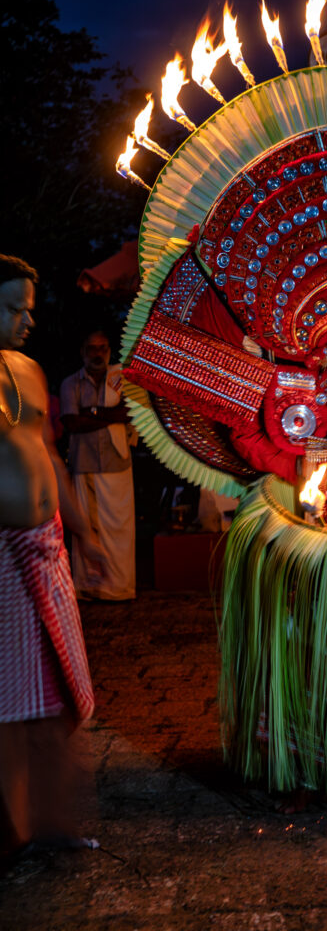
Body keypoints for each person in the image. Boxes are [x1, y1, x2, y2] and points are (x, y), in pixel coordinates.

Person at [0, 255, 106, 861]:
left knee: (55, 694)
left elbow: (51, 457)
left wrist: (85, 530)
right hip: (3, 556)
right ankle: (12, 831)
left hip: (46, 543)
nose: (25, 321)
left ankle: (53, 823)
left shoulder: (32, 372)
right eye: (12, 309)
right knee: (10, 704)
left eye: (29, 310)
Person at [60, 331, 136, 601]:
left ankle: (120, 586)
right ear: (83, 352)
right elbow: (71, 423)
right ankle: (90, 586)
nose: (97, 354)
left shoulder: (120, 380)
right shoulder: (71, 384)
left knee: (119, 528)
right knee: (87, 526)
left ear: (109, 351)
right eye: (91, 348)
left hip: (117, 462)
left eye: (102, 348)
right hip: (84, 464)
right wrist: (109, 416)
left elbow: (128, 413)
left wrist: (91, 412)